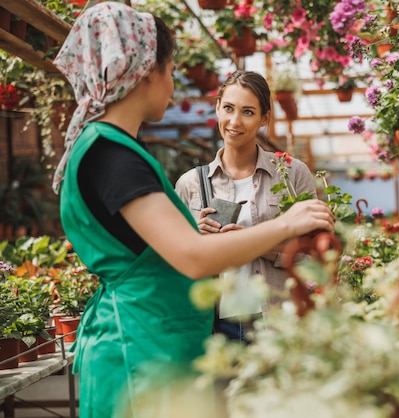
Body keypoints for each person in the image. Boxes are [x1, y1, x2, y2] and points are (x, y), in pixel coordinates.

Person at [51, 3, 334, 418]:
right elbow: (191, 256)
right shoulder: (113, 156)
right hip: (141, 351)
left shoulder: (111, 149)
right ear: (147, 70)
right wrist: (286, 224)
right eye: (170, 69)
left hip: (151, 342)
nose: (173, 83)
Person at [175, 70, 317, 344]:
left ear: (264, 118)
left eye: (248, 112)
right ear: (217, 107)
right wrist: (194, 238)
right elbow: (173, 262)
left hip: (279, 320)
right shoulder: (190, 184)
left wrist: (252, 244)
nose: (235, 121)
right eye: (228, 108)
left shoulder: (291, 174)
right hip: (216, 328)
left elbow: (312, 255)